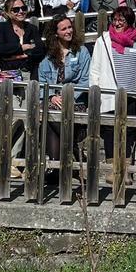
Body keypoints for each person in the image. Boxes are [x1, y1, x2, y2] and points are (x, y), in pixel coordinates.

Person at [90, 6, 136, 173]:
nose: (117, 23)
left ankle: (125, 169)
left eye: (122, 20)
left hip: (133, 94)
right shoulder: (103, 41)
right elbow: (95, 70)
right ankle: (113, 170)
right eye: (115, 20)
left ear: (129, 22)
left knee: (130, 130)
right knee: (110, 130)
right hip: (110, 94)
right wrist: (95, 92)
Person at [0, 0, 45, 178]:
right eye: (16, 9)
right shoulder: (0, 28)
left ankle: (12, 160)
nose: (21, 12)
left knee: (26, 117)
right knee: (13, 115)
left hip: (28, 78)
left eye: (23, 8)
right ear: (7, 12)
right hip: (7, 79)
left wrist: (16, 54)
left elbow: (39, 52)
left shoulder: (32, 29)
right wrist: (24, 48)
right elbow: (0, 49)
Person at [38, 14, 92, 166]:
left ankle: (58, 161)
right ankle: (70, 151)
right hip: (54, 102)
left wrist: (69, 96)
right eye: (64, 29)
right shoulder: (48, 57)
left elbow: (85, 80)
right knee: (48, 110)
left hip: (75, 100)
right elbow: (42, 82)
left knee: (51, 114)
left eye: (70, 27)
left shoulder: (82, 52)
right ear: (56, 33)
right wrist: (51, 97)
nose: (69, 31)